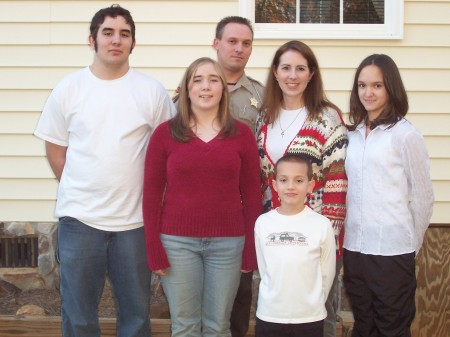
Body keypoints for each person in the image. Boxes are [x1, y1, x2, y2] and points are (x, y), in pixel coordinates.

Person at [34, 5, 175, 337]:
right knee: (79, 315)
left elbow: (166, 151)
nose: (116, 40)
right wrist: (82, 185)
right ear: (92, 39)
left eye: (124, 34)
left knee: (136, 316)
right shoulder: (68, 89)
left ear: (133, 43)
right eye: (108, 33)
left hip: (135, 224)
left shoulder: (151, 91)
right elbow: (55, 148)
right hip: (80, 221)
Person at [143, 57, 261, 337]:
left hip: (228, 245)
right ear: (186, 89)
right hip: (177, 244)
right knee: (184, 326)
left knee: (218, 326)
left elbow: (253, 196)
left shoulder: (242, 135)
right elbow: (151, 194)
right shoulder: (165, 134)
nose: (205, 87)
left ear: (223, 88)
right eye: (197, 80)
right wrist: (153, 247)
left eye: (213, 79)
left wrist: (250, 248)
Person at [257, 40, 347, 337]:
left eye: (300, 68)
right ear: (275, 73)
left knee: (322, 313)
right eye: (286, 68)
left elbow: (337, 177)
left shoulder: (326, 117)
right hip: (275, 231)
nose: (292, 76)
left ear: (311, 74)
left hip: (316, 232)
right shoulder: (265, 117)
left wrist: (329, 238)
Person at [343, 54, 434, 337]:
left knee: (391, 328)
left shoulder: (405, 135)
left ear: (390, 88)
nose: (367, 93)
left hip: (392, 251)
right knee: (363, 324)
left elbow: (423, 197)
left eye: (377, 86)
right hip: (355, 248)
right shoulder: (353, 134)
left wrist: (410, 244)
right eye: (362, 85)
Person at [212, 16, 264, 337]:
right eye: (232, 41)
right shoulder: (192, 90)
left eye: (246, 43)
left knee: (240, 297)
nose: (239, 49)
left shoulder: (262, 96)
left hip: (242, 211)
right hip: (199, 209)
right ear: (216, 44)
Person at [255, 153, 336, 337]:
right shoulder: (263, 223)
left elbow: (326, 273)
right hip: (270, 316)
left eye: (299, 180)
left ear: (310, 185)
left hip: (309, 318)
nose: (290, 186)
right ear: (275, 185)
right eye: (284, 180)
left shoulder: (321, 224)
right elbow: (264, 267)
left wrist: (312, 304)